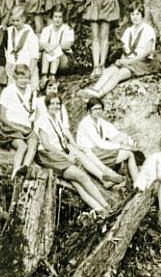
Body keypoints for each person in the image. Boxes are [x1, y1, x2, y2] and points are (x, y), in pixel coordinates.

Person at [34, 82, 114, 212]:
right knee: (81, 176)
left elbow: (62, 140)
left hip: (58, 153)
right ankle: (105, 205)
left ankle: (100, 209)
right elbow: (47, 145)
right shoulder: (42, 120)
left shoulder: (56, 119)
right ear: (47, 105)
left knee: (77, 182)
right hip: (47, 155)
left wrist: (70, 151)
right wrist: (66, 156)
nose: (55, 107)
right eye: (52, 104)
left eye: (57, 104)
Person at [83, 8, 158, 98]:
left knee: (120, 73)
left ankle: (100, 94)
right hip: (128, 60)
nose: (135, 17)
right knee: (110, 70)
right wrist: (122, 60)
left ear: (142, 15)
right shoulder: (128, 30)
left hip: (142, 62)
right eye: (132, 14)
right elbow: (125, 50)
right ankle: (95, 89)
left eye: (137, 14)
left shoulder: (148, 30)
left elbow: (147, 51)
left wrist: (130, 61)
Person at [75, 98, 141, 184]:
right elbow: (100, 144)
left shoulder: (100, 121)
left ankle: (137, 183)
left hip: (99, 151)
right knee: (129, 153)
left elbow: (116, 133)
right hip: (91, 155)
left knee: (123, 137)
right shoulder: (86, 124)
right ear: (89, 110)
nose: (98, 111)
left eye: (100, 108)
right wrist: (122, 146)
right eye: (95, 109)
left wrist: (130, 143)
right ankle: (136, 182)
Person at [0, 66, 42, 178]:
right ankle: (16, 170)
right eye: (21, 78)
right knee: (22, 146)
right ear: (14, 77)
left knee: (33, 142)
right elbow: (2, 116)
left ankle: (25, 167)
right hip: (11, 127)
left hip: (26, 127)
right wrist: (16, 128)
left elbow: (34, 112)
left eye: (27, 78)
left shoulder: (30, 91)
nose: (24, 81)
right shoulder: (8, 91)